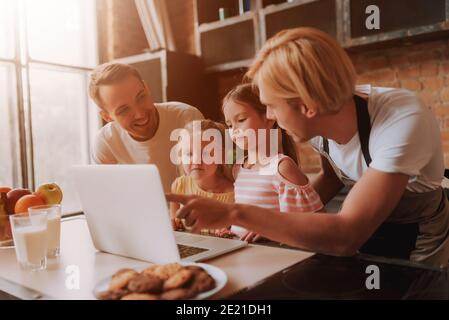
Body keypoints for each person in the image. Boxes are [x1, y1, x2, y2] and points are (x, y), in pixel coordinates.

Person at [167, 27, 449, 267]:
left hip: (416, 234)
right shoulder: (318, 119)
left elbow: (345, 236)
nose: (270, 118)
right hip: (363, 224)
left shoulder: (401, 121)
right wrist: (276, 222)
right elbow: (330, 177)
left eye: (271, 107)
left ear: (307, 106)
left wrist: (235, 213)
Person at [222, 84, 323, 242]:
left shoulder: (282, 168)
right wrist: (230, 228)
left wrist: (271, 232)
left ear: (268, 119)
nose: (234, 129)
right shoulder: (238, 168)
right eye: (229, 125)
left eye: (241, 120)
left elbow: (304, 227)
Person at [88, 63, 203, 192]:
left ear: (147, 88)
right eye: (123, 110)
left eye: (141, 97)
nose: (140, 114)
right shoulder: (105, 142)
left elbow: (209, 185)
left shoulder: (186, 117)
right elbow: (106, 195)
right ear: (107, 117)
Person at [170, 119, 234, 238]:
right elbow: (174, 228)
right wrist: (173, 223)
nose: (196, 161)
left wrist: (229, 233)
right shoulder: (179, 185)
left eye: (205, 154)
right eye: (189, 154)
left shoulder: (234, 193)